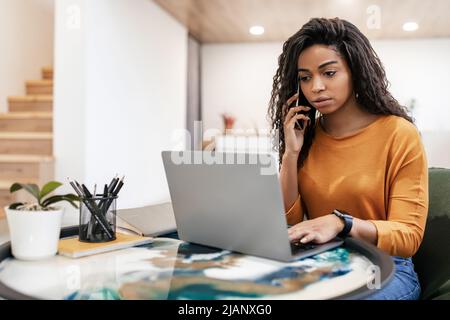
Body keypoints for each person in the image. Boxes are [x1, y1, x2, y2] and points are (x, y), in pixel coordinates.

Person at [268, 17, 428, 300]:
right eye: (305, 77)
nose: (315, 86)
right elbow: (290, 222)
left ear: (355, 71)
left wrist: (343, 223)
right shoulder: (308, 136)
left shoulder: (399, 134)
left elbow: (408, 237)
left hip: (386, 267)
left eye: (329, 73)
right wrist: (290, 155)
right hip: (321, 260)